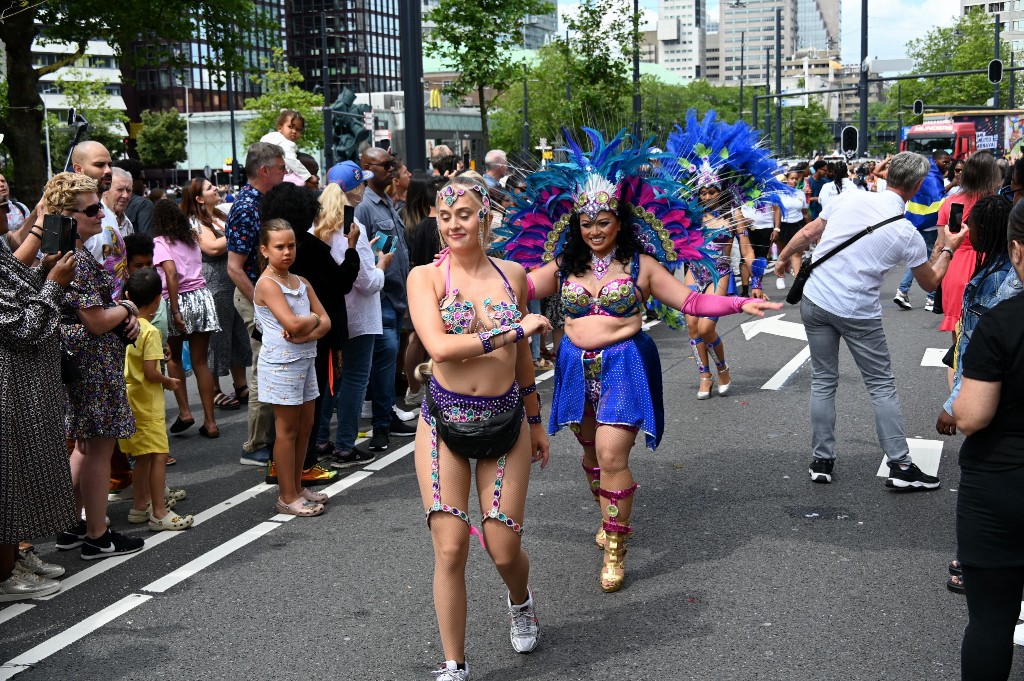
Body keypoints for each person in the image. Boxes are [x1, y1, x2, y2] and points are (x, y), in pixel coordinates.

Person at [506, 125, 780, 594]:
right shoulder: (563, 266)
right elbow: (515, 288)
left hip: (624, 362)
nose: (594, 231)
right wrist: (460, 267)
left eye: (604, 222)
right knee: (591, 452)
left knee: (613, 452)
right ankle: (608, 516)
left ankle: (615, 548)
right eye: (586, 223)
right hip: (575, 365)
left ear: (620, 222)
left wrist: (739, 303)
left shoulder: (641, 267)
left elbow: (691, 303)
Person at [408, 177, 551, 680]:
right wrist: (516, 329)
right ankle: (454, 665)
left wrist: (536, 421)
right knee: (450, 546)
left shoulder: (512, 274)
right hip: (443, 421)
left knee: (501, 546)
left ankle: (520, 599)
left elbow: (522, 361)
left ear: (484, 217)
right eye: (445, 217)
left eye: (464, 214)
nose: (452, 225)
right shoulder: (424, 277)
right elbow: (441, 348)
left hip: (505, 420)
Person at [775, 152, 966, 490]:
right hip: (857, 311)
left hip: (816, 299)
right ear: (918, 186)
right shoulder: (905, 233)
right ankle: (901, 465)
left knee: (823, 380)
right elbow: (931, 283)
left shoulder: (849, 196)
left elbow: (808, 231)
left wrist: (784, 258)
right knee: (880, 385)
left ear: (888, 173)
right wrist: (949, 247)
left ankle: (822, 461)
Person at [41, 173, 144, 560]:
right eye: (91, 209)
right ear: (67, 216)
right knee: (98, 448)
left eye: (98, 204)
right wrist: (129, 309)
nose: (101, 213)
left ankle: (70, 524)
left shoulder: (63, 253)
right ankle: (98, 535)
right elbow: (97, 321)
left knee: (85, 447)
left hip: (80, 362)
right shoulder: (77, 259)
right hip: (92, 363)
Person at [951, 202, 1024, 680]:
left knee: (992, 620)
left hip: (1003, 482)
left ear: (1017, 250)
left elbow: (972, 417)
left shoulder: (1003, 320)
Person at [0, 200, 78, 599]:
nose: (10, 215)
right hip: (8, 384)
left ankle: (13, 557)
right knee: (9, 477)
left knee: (21, 473)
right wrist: (54, 283)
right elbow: (20, 325)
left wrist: (45, 271)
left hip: (25, 381)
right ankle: (5, 573)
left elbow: (18, 288)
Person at [314, 163, 395, 467]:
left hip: (331, 313)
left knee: (328, 379)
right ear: (356, 190)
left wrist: (368, 258)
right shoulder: (352, 229)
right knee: (354, 379)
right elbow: (366, 282)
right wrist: (381, 266)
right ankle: (345, 445)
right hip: (359, 316)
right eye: (363, 185)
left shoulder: (318, 225)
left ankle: (321, 438)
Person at [253, 219, 332, 516]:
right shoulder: (267, 283)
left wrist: (307, 328)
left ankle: (297, 487)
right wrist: (310, 322)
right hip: (281, 365)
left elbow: (325, 321)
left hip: (305, 359)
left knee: (305, 426)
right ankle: (287, 496)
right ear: (265, 249)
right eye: (279, 247)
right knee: (286, 431)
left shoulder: (301, 281)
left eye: (291, 245)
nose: (287, 252)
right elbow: (293, 323)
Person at [119, 268, 194, 531]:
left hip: (130, 400)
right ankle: (159, 511)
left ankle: (141, 505)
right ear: (158, 299)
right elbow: (152, 373)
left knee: (142, 457)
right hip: (148, 404)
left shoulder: (122, 325)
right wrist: (170, 382)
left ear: (128, 296)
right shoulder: (149, 331)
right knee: (159, 454)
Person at [226, 142, 286, 466]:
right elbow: (234, 267)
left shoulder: (261, 202)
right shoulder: (247, 207)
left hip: (265, 295)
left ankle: (268, 438)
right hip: (255, 296)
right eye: (280, 167)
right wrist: (261, 303)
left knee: (271, 366)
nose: (284, 172)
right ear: (265, 170)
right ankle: (255, 444)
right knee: (263, 367)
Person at [355, 146, 415, 453]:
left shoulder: (388, 203)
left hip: (394, 297)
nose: (391, 169)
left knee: (388, 363)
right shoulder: (364, 207)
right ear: (366, 168)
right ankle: (380, 425)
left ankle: (387, 416)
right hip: (379, 299)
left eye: (392, 164)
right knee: (383, 362)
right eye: (384, 165)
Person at [685, 183, 765, 399]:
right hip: (694, 272)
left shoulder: (733, 214)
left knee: (705, 327)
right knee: (692, 325)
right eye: (703, 193)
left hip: (719, 273)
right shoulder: (690, 214)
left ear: (721, 192)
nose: (707, 196)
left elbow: (747, 248)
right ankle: (705, 376)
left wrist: (756, 281)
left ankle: (722, 368)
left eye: (712, 192)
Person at [181, 177, 252, 410]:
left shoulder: (220, 215)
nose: (216, 189)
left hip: (232, 280)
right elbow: (210, 248)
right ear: (199, 198)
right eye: (210, 188)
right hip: (215, 282)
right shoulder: (194, 221)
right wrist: (239, 236)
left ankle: (240, 384)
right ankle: (214, 388)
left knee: (237, 332)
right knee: (218, 337)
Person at [152, 199, 222, 438]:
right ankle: (211, 423)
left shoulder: (160, 242)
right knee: (200, 362)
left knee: (173, 358)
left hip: (177, 299)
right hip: (202, 297)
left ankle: (185, 412)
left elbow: (170, 273)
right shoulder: (191, 238)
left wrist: (173, 310)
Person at [933, 152, 1002, 331]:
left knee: (958, 328)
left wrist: (933, 275)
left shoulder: (951, 203)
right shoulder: (998, 204)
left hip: (955, 267)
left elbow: (940, 245)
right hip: (990, 267)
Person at [893, 150, 952, 310]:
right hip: (929, 224)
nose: (947, 165)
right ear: (935, 160)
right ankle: (930, 297)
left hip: (918, 221)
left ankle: (903, 291)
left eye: (948, 162)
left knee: (920, 260)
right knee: (932, 258)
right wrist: (954, 187)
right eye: (944, 161)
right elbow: (939, 199)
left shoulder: (928, 172)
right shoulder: (932, 175)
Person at [772, 170, 810, 288]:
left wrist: (810, 227)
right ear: (786, 179)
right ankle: (780, 276)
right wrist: (776, 228)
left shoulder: (800, 193)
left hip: (797, 225)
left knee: (797, 253)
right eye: (791, 178)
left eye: (795, 179)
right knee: (783, 254)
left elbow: (805, 212)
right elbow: (776, 212)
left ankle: (797, 281)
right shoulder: (779, 194)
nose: (793, 181)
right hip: (783, 225)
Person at [259, 110, 317, 186]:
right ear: (280, 128)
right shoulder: (287, 143)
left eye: (298, 130)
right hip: (280, 178)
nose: (294, 131)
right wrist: (308, 177)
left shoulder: (268, 139)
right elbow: (292, 161)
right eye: (291, 127)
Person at [114, 159, 154, 236]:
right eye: (142, 179)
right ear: (131, 180)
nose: (144, 184)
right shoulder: (144, 205)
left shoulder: (102, 202)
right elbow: (147, 241)